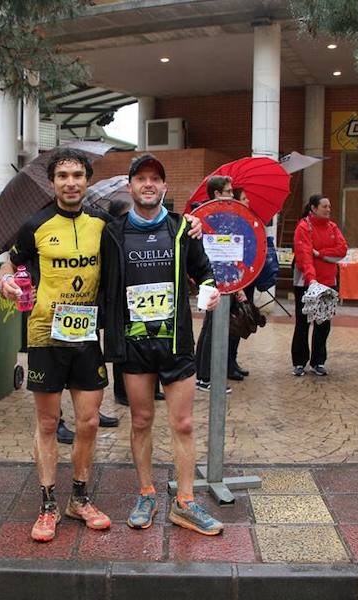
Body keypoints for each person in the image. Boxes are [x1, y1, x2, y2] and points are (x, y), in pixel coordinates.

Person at [100, 154, 224, 536]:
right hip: (134, 343)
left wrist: (209, 291)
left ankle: (185, 502)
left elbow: (205, 273)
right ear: (131, 187)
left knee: (183, 423)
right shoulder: (112, 232)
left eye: (155, 179)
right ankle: (147, 493)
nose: (148, 184)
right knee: (140, 420)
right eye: (141, 179)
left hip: (175, 342)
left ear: (165, 188)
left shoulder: (183, 228)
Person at [0, 147, 112, 542]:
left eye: (77, 175)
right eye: (63, 176)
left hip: (86, 336)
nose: (70, 182)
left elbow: (140, 234)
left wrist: (195, 226)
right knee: (48, 423)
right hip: (45, 334)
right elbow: (11, 264)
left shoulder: (103, 223)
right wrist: (5, 281)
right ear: (53, 183)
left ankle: (78, 500)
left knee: (89, 422)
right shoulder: (35, 224)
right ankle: (48, 505)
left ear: (87, 180)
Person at [194, 176, 247, 391]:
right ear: (217, 194)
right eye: (228, 191)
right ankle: (206, 376)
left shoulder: (225, 217)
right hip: (213, 280)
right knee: (212, 327)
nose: (232, 195)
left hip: (222, 280)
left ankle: (203, 374)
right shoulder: (206, 218)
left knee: (211, 326)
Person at [291, 194, 348, 377]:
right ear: (313, 208)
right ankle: (299, 362)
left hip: (328, 283)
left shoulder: (333, 227)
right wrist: (312, 279)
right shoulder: (303, 227)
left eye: (329, 206)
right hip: (306, 283)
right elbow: (304, 256)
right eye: (325, 206)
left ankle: (319, 361)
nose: (328, 209)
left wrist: (321, 253)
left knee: (323, 323)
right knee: (303, 323)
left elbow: (342, 250)